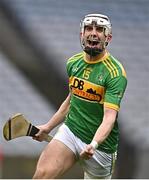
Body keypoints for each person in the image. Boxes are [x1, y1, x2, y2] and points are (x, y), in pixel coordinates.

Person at [33, 13, 127, 179]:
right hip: (72, 131)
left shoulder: (115, 73)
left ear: (108, 37)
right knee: (42, 175)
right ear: (82, 34)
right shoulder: (73, 63)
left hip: (101, 148)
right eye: (88, 28)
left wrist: (94, 144)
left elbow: (109, 118)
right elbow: (71, 100)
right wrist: (48, 127)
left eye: (99, 29)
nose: (93, 33)